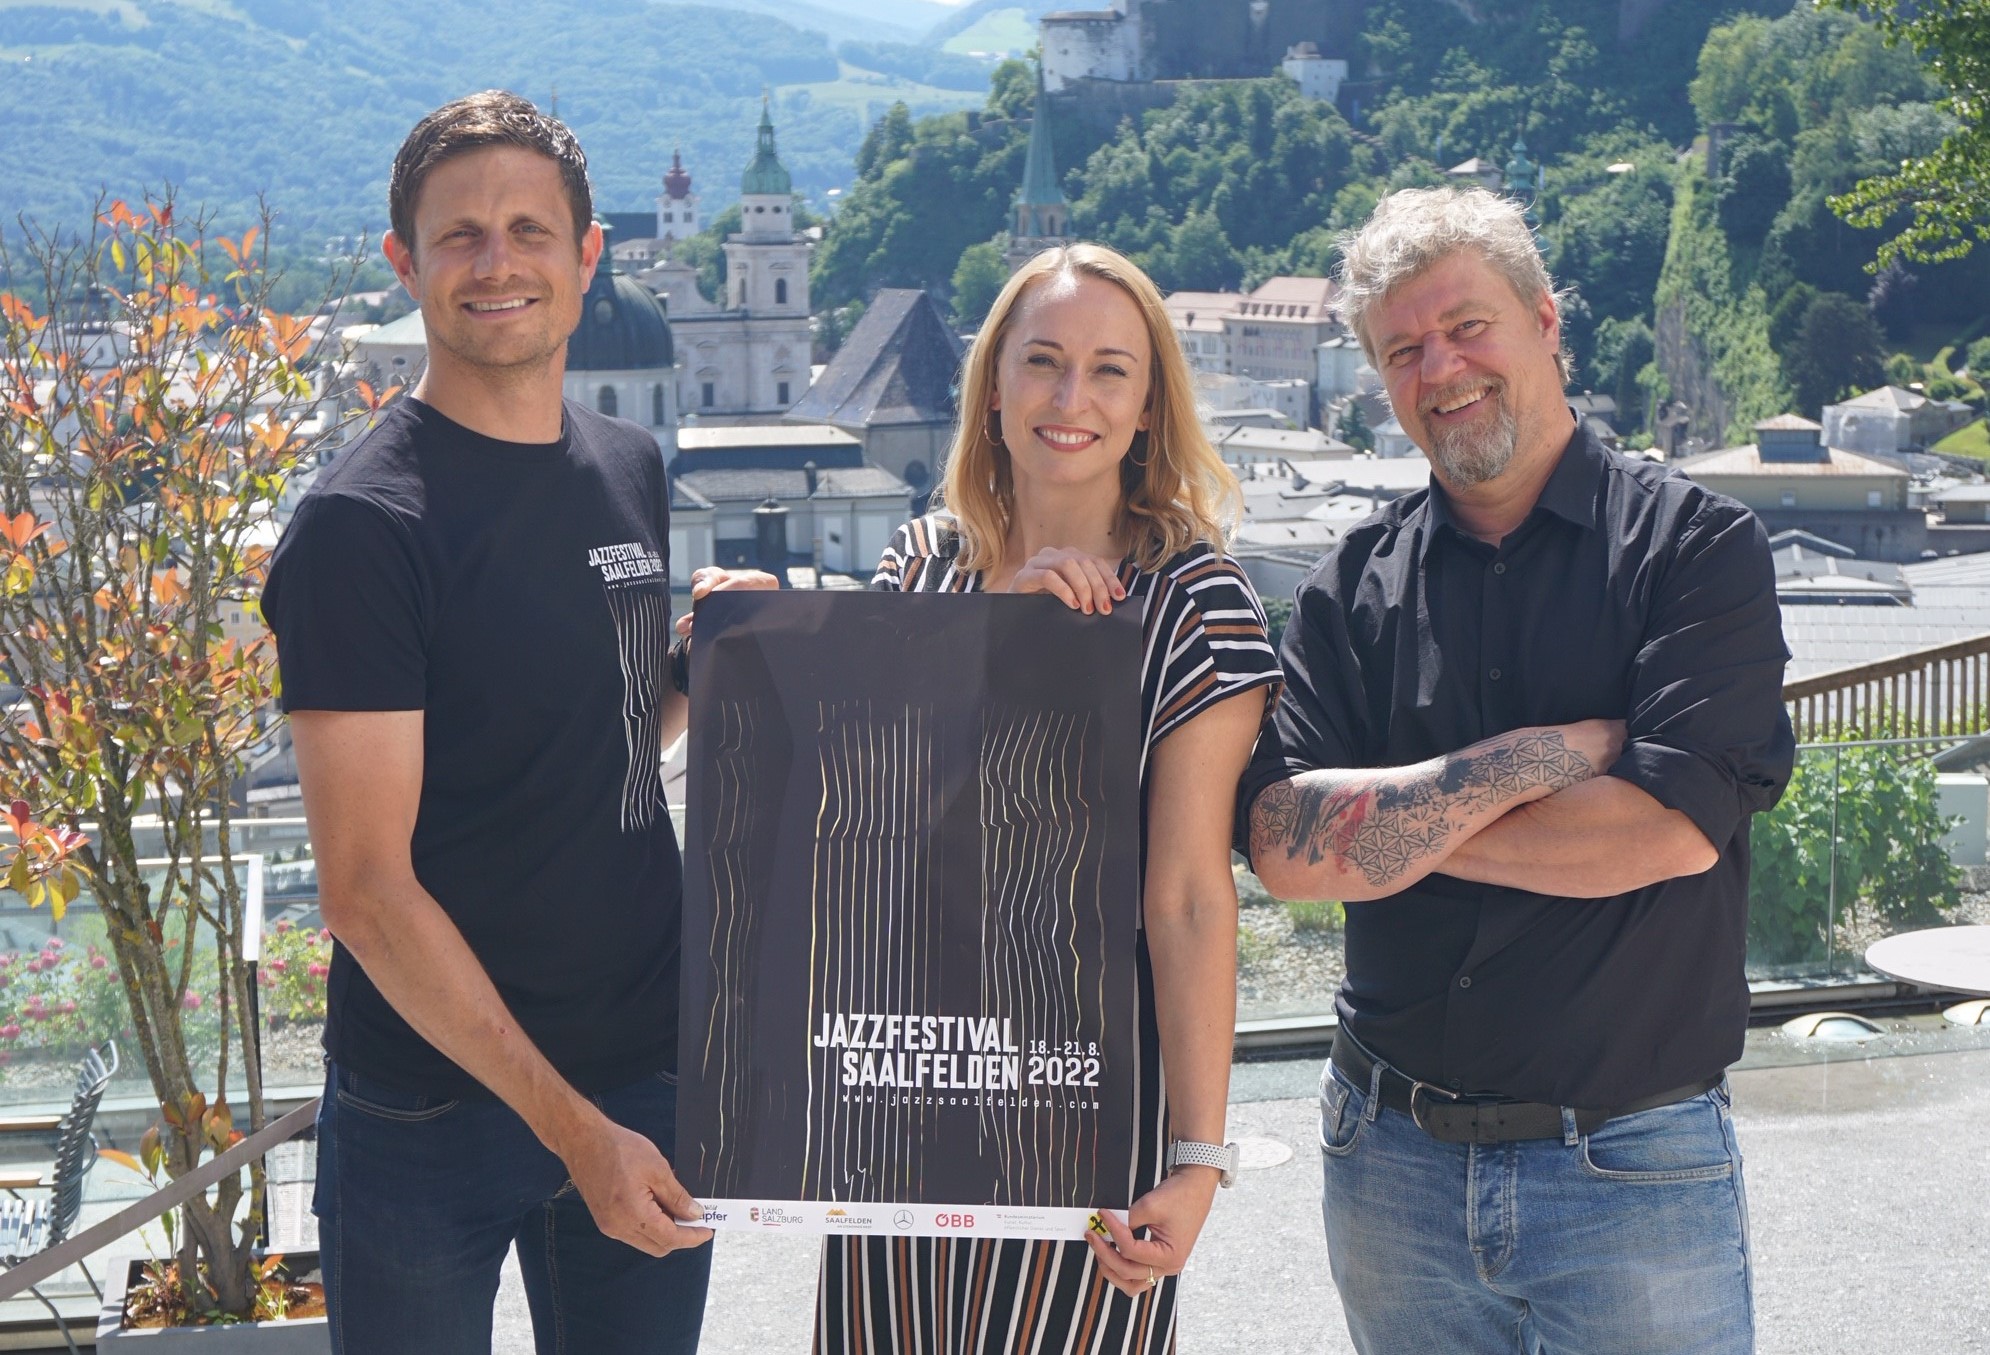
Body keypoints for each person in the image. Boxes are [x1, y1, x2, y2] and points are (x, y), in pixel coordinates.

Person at [1238, 186, 1795, 1354]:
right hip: (1388, 1160)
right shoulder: (1347, 588)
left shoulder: (1697, 549)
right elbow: (1285, 847)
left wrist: (1391, 825)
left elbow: (1661, 831)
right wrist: (1528, 763)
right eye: (1402, 350)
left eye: (1466, 326)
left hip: (1631, 1162)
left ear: (1545, 321)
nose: (1440, 368)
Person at [263, 92, 767, 1354]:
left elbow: (606, 742)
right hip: (430, 1104)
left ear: (587, 255)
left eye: (530, 230)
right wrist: (574, 1129)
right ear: (407, 263)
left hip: (642, 1066)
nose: (498, 262)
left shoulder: (627, 464)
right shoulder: (361, 527)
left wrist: (711, 662)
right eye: (461, 235)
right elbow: (365, 890)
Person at [811, 242, 1282, 1354]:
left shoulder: (1194, 602)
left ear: (1148, 407)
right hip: (902, 1087)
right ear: (993, 385)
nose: (1072, 398)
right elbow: (854, 824)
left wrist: (1198, 1162)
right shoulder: (920, 566)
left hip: (1082, 1113)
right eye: (1042, 361)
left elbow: (1186, 899)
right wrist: (993, 642)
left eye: (1110, 370)